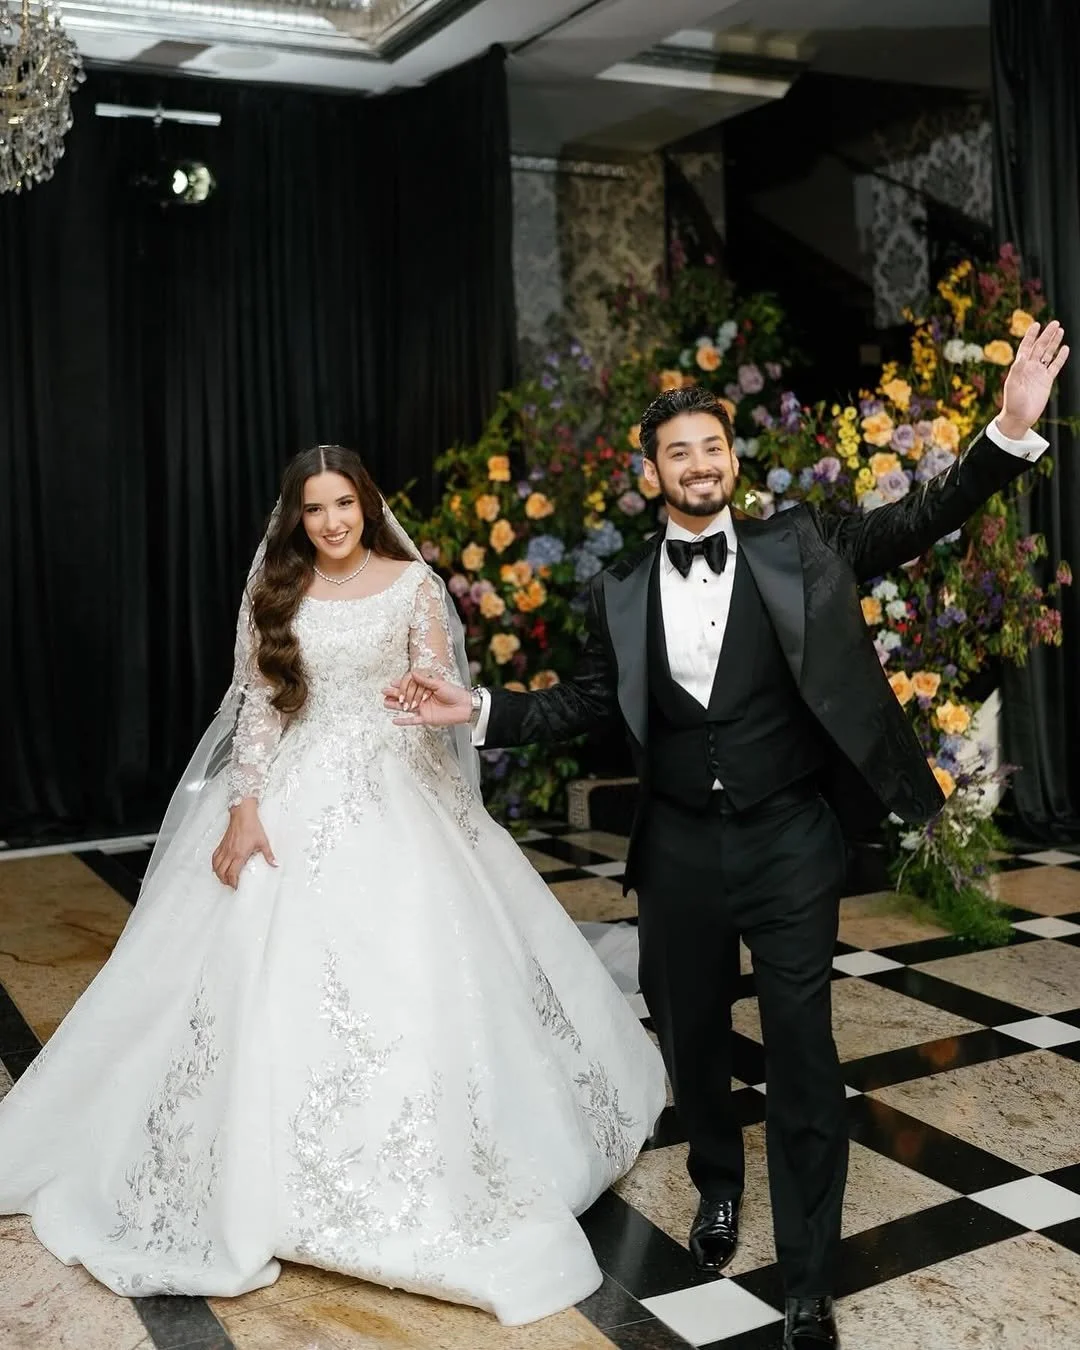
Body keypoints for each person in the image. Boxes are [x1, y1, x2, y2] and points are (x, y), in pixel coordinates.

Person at [386, 320, 1070, 1349]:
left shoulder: (805, 544)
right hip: (678, 849)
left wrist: (1007, 433)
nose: (698, 464)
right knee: (694, 1039)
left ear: (731, 460)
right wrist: (477, 712)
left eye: (712, 447)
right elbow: (580, 703)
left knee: (801, 1049)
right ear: (650, 471)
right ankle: (716, 1182)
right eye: (678, 452)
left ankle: (808, 1279)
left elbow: (923, 517)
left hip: (792, 837)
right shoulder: (615, 587)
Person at [0, 445, 666, 1326]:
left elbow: (437, 694)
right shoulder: (276, 592)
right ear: (296, 517)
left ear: (368, 504)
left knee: (431, 966)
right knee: (243, 969)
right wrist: (244, 808)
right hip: (292, 791)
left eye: (344, 504)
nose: (332, 522)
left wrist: (424, 717)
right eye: (314, 509)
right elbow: (260, 710)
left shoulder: (413, 585)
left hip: (397, 788)